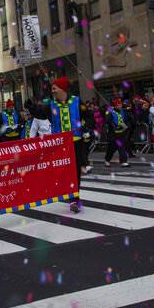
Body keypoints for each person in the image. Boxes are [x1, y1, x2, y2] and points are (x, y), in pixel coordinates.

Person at [49, 76, 87, 212]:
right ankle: (70, 195)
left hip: (75, 144)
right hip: (60, 145)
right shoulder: (52, 104)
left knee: (75, 172)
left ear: (62, 89)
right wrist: (32, 107)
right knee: (64, 173)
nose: (52, 91)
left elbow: (88, 116)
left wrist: (87, 129)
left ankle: (74, 200)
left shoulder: (76, 101)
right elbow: (42, 113)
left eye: (54, 88)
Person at [103, 98, 130, 167]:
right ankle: (107, 159)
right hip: (113, 133)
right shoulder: (110, 111)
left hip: (121, 133)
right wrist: (108, 110)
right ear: (114, 105)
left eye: (120, 104)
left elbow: (126, 119)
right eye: (117, 105)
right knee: (111, 148)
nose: (119, 106)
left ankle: (123, 161)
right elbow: (107, 120)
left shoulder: (123, 111)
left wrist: (126, 125)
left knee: (121, 146)